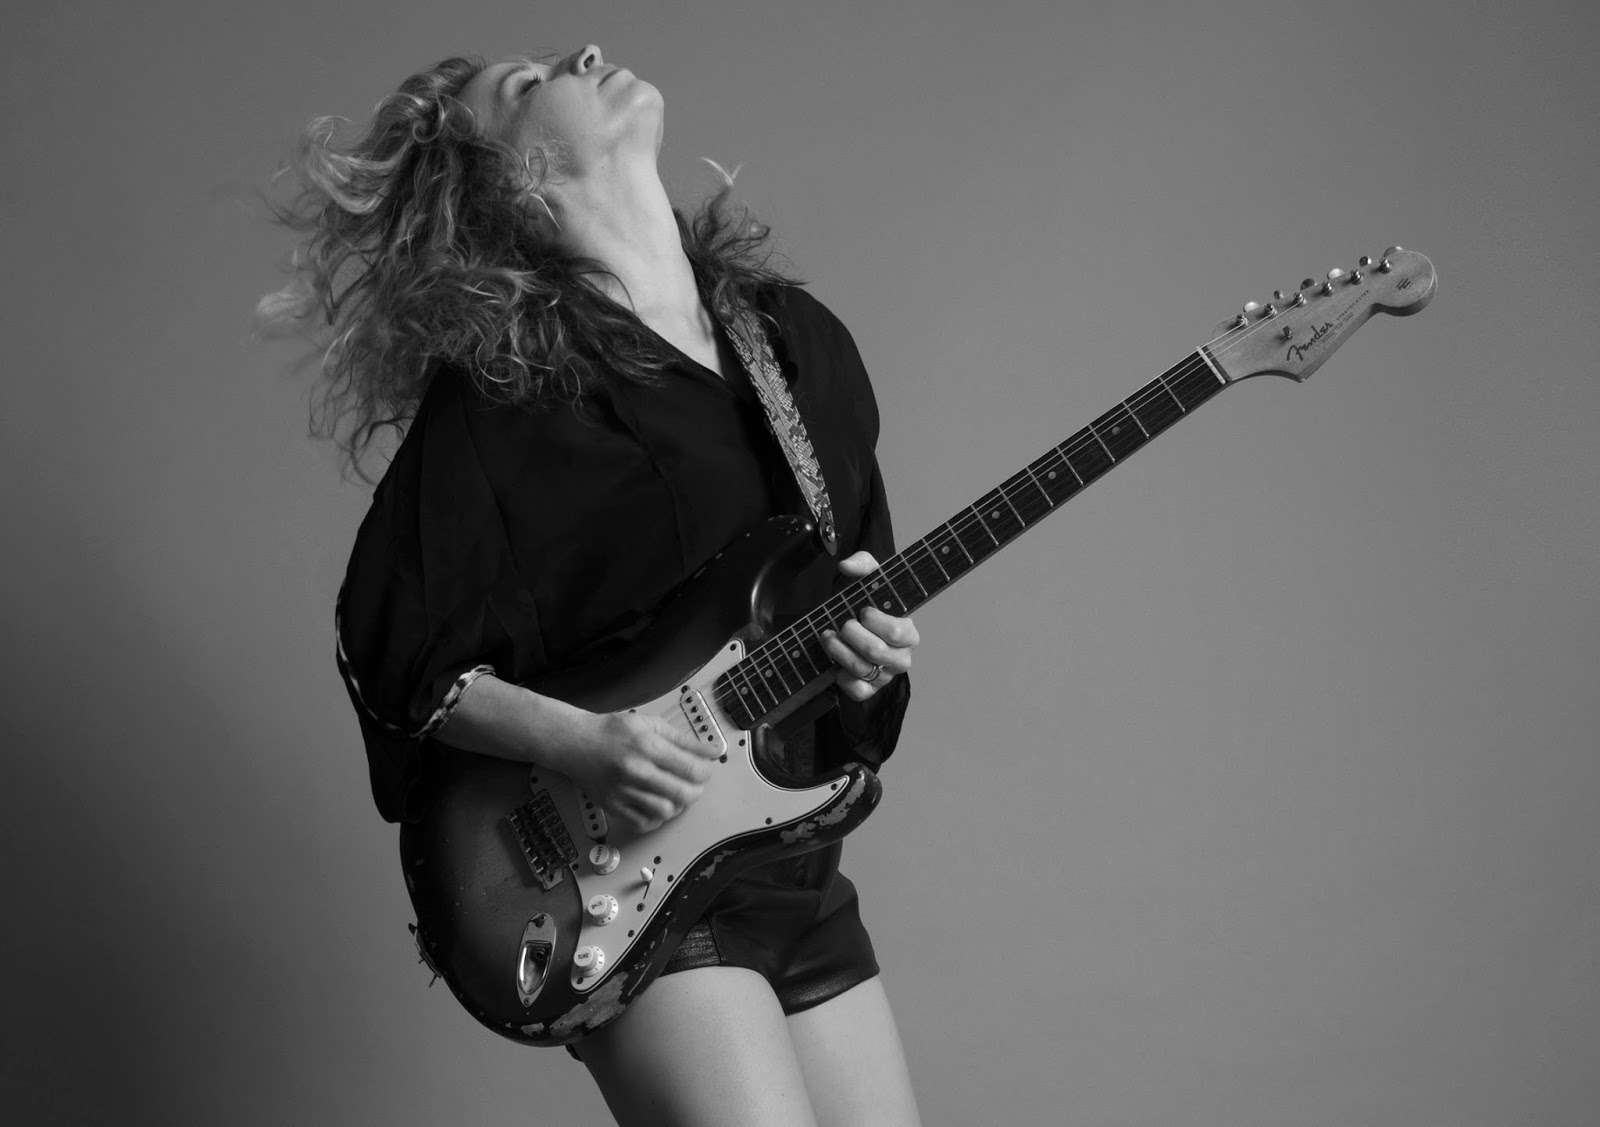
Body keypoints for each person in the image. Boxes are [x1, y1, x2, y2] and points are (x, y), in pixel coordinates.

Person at [264, 44, 923, 1126]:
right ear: (504, 181)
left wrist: (868, 660)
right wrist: (587, 743)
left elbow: (851, 628)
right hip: (626, 886)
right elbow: (393, 658)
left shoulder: (796, 343)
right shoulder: (511, 390)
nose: (583, 52)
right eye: (527, 87)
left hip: (791, 861)